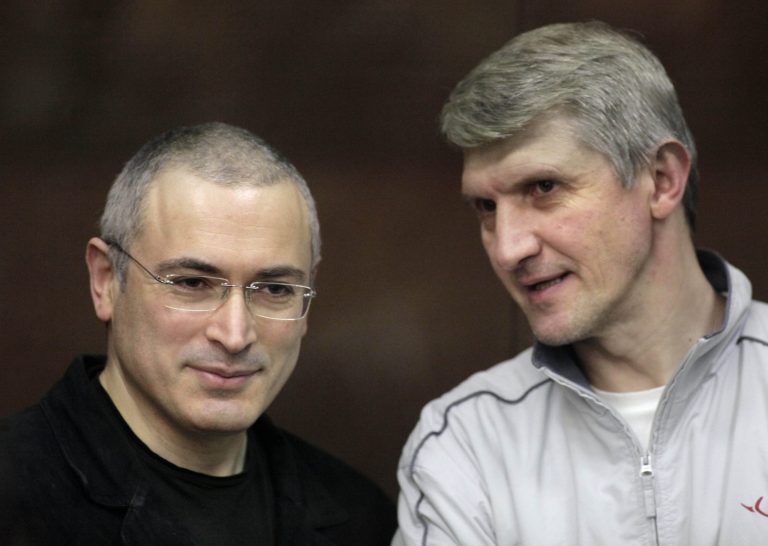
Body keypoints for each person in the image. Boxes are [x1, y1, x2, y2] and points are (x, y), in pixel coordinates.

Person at [394, 21, 768, 545]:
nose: (508, 248)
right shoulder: (466, 442)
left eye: (543, 188)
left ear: (661, 180)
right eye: (486, 207)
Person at [0, 122, 396, 545]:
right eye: (191, 283)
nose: (235, 334)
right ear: (106, 281)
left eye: (276, 289)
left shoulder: (361, 520)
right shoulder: (13, 497)